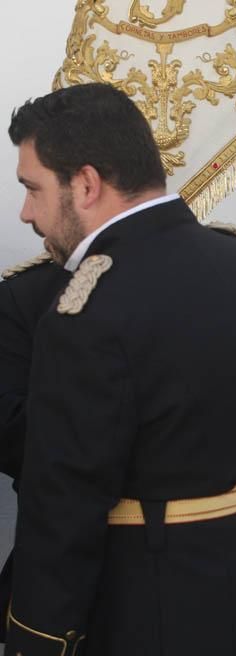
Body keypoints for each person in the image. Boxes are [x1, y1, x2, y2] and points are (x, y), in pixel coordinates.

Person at [6, 83, 236, 656]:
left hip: (148, 609)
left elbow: (64, 503)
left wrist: (38, 638)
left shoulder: (88, 306)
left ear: (84, 183)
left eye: (32, 189)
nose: (26, 212)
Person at [0, 253, 67, 640]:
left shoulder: (234, 273)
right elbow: (8, 427)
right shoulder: (26, 293)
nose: (27, 213)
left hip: (206, 565)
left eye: (32, 190)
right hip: (58, 554)